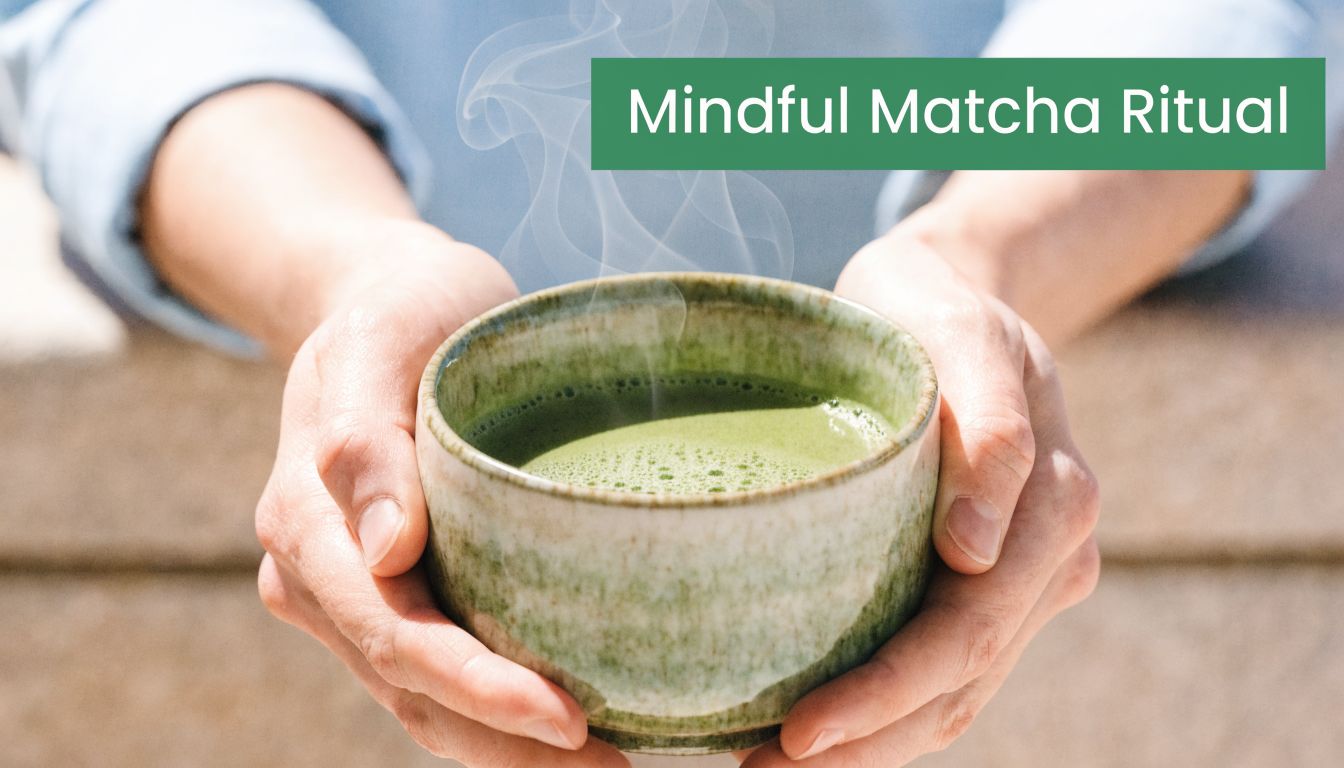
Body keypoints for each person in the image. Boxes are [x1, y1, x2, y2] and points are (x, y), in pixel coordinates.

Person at [1, 1, 1339, 766]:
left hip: (1030, 534)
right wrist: (347, 271)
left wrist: (984, 253)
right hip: (318, 458)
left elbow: (1238, 40)